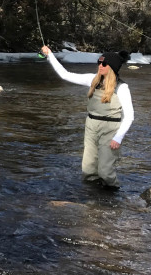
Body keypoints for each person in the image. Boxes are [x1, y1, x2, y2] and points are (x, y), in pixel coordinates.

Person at [40, 45, 134, 190]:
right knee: (88, 170)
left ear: (112, 67)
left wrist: (118, 137)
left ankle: (112, 200)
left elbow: (130, 116)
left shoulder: (122, 88)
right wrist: (49, 55)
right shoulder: (92, 80)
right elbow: (65, 75)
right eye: (99, 62)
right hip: (91, 126)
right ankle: (91, 197)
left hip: (111, 130)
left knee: (105, 171)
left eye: (104, 64)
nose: (100, 66)